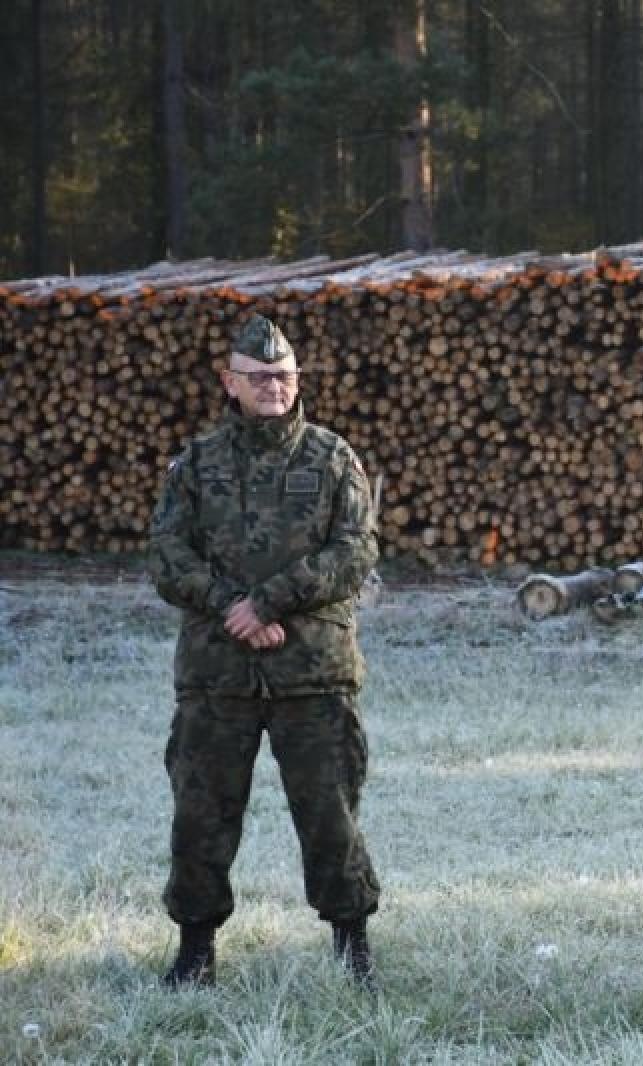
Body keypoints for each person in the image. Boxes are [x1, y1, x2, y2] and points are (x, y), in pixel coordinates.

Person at [149, 314, 381, 987]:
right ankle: (195, 950)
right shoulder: (196, 464)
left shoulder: (331, 458)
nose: (273, 386)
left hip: (312, 672)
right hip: (217, 675)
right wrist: (233, 607)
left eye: (283, 375)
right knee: (201, 813)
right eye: (259, 377)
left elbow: (356, 550)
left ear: (297, 379)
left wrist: (271, 600)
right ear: (231, 382)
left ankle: (351, 945)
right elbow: (165, 554)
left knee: (330, 813)